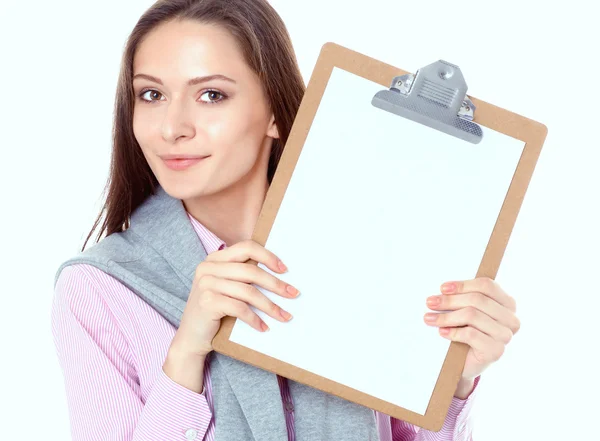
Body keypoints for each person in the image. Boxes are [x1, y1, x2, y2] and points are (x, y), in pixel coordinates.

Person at [51, 1, 521, 440]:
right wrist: (186, 355)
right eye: (151, 94)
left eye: (211, 95)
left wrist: (453, 381)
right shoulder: (98, 289)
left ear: (275, 112)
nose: (173, 127)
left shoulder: (370, 249)